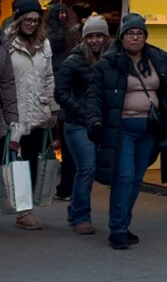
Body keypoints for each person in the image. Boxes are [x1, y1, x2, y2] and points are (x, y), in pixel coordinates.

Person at [86, 13, 167, 249]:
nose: (135, 38)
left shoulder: (157, 59)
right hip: (122, 128)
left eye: (140, 33)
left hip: (150, 129)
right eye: (131, 34)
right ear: (122, 37)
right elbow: (93, 95)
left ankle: (124, 222)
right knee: (123, 177)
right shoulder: (108, 63)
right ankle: (117, 229)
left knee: (135, 179)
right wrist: (94, 120)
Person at [55, 15, 111, 234]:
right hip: (76, 123)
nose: (95, 40)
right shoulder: (73, 61)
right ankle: (80, 216)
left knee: (90, 168)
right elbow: (61, 93)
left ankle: (74, 210)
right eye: (91, 36)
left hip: (100, 122)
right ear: (84, 38)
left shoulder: (111, 59)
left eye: (99, 36)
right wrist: (82, 112)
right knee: (87, 167)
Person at [6, 0, 58, 230]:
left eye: (35, 20)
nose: (31, 24)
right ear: (18, 19)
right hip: (12, 114)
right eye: (27, 19)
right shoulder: (6, 43)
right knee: (6, 162)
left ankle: (24, 212)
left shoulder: (43, 44)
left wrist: (52, 107)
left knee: (29, 163)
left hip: (37, 113)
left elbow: (48, 77)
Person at [46, 2, 81, 201]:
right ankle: (65, 186)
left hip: (52, 87)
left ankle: (43, 182)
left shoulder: (46, 36)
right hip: (67, 88)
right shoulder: (74, 35)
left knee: (48, 139)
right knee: (66, 141)